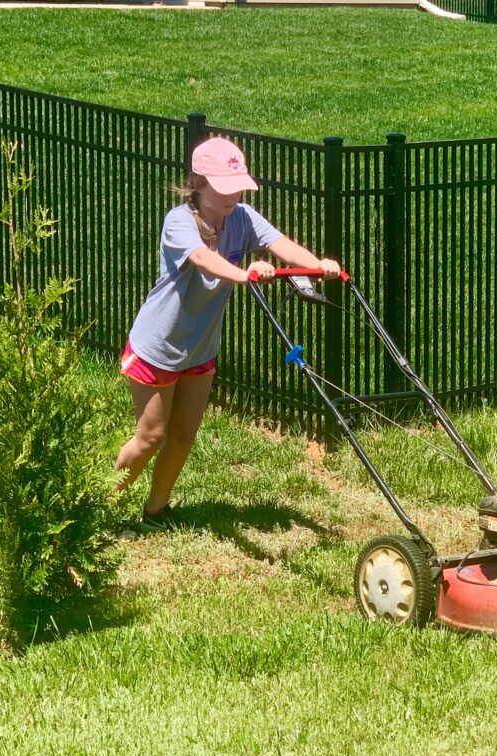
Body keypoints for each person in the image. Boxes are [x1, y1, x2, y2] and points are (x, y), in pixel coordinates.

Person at [114, 136, 341, 531]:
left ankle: (155, 510)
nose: (231, 195)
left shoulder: (243, 217)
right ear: (198, 184)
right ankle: (101, 506)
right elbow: (203, 259)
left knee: (183, 436)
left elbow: (281, 244)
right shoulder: (178, 222)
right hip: (158, 347)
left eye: (236, 186)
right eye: (222, 188)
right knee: (151, 436)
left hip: (201, 347)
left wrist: (317, 265)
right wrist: (246, 273)